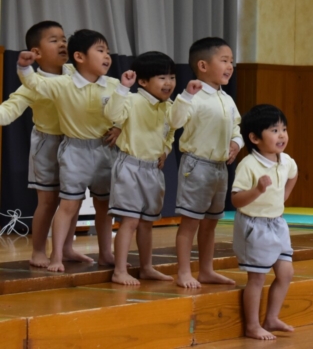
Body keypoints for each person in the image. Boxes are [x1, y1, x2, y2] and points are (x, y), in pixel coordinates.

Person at [17, 29, 120, 272]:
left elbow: (125, 111)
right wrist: (23, 67)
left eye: (107, 51)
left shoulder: (112, 84)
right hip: (69, 147)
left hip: (103, 149)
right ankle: (48, 253)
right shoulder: (61, 83)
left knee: (103, 205)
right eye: (100, 50)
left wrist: (118, 128)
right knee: (59, 202)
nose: (106, 55)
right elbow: (31, 85)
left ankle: (103, 252)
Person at [0, 21, 94, 267]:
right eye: (54, 40)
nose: (63, 43)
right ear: (36, 52)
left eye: (64, 38)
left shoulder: (76, 74)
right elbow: (8, 111)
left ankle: (67, 248)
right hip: (48, 144)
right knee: (48, 201)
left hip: (75, 142)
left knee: (73, 198)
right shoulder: (32, 83)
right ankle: (39, 251)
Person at [169, 37, 243, 288]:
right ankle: (183, 272)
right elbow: (174, 121)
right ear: (202, 65)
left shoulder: (227, 99)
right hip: (196, 166)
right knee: (190, 222)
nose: (230, 66)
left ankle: (207, 270)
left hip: (220, 168)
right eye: (224, 60)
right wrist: (185, 97)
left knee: (211, 222)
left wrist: (236, 143)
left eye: (231, 61)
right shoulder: (193, 95)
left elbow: (236, 128)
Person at [104, 51, 178, 285]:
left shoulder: (171, 106)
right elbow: (112, 114)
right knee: (130, 221)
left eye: (172, 77)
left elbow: (171, 133)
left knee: (147, 222)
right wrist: (123, 88)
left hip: (153, 170)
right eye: (162, 77)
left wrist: (165, 151)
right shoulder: (132, 100)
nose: (169, 83)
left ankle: (146, 267)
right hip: (130, 167)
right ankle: (119, 271)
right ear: (143, 81)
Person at [231, 104, 298, 340]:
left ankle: (271, 318)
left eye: (284, 129)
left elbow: (293, 174)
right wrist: (258, 190)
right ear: (254, 138)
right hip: (254, 225)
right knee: (257, 277)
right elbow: (237, 200)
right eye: (274, 130)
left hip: (277, 223)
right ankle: (252, 325)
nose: (281, 135)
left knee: (286, 272)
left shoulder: (286, 160)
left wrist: (284, 197)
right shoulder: (248, 165)